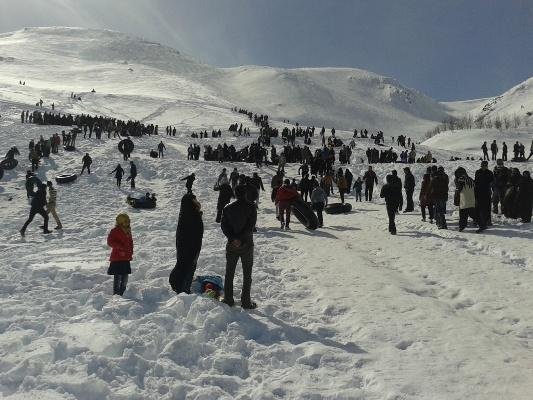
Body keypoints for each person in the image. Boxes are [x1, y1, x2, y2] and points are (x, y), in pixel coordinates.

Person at [220, 185, 258, 309]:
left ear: (235, 194)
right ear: (245, 193)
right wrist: (241, 239)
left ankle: (228, 299)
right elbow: (250, 226)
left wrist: (233, 238)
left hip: (232, 245)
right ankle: (246, 302)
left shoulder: (227, 207)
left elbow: (224, 226)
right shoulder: (251, 207)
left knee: (229, 272)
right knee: (247, 274)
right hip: (247, 244)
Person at [169, 194, 204, 293]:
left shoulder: (186, 212)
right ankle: (183, 289)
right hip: (191, 246)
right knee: (189, 266)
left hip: (186, 245)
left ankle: (179, 284)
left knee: (184, 265)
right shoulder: (191, 215)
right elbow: (194, 230)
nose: (196, 201)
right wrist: (198, 216)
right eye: (194, 200)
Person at [106, 214, 133, 296]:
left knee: (125, 278)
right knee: (117, 278)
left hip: (126, 258)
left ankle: (122, 294)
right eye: (125, 221)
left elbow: (130, 242)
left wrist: (131, 251)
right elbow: (110, 242)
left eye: (128, 221)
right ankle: (116, 295)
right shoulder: (115, 231)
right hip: (117, 258)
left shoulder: (128, 230)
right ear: (120, 222)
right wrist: (119, 247)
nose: (128, 222)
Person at [454, 167, 477, 232]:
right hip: (471, 198)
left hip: (463, 199)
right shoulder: (470, 179)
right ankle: (479, 223)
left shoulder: (460, 179)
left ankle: (462, 226)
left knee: (463, 214)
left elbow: (459, 189)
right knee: (471, 212)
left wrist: (457, 195)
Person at [474, 160, 494, 232]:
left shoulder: (490, 173)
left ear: (487, 166)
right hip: (478, 191)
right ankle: (477, 221)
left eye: (485, 165)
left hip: (487, 192)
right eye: (482, 165)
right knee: (478, 207)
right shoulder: (478, 172)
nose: (483, 167)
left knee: (487, 207)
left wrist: (492, 191)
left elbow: (492, 182)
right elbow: (475, 181)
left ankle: (487, 221)